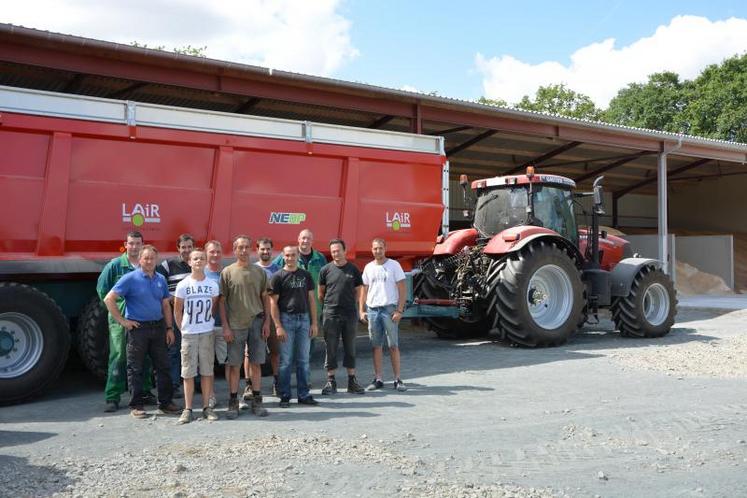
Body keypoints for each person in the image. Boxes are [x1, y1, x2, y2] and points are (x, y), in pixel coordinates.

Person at [103, 245, 181, 418]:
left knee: (163, 367)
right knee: (135, 368)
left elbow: (165, 305)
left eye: (152, 258)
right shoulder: (130, 278)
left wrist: (169, 328)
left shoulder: (160, 278)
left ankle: (166, 403)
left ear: (156, 259)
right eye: (145, 258)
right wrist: (123, 321)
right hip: (138, 329)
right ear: (139, 260)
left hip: (159, 327)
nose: (149, 261)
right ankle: (136, 405)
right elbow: (109, 299)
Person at [96, 230, 155, 412]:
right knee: (119, 356)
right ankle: (112, 396)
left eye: (138, 243)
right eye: (131, 243)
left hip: (142, 320)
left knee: (144, 355)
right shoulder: (115, 266)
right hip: (120, 320)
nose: (135, 247)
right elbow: (103, 291)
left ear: (142, 245)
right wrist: (118, 315)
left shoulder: (147, 266)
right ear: (125, 244)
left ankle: (144, 391)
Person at [219, 235, 271, 419]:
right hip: (235, 325)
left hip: (256, 323)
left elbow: (266, 298)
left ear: (251, 249)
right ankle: (233, 402)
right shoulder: (227, 272)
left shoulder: (259, 272)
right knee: (234, 365)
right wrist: (225, 326)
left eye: (246, 247)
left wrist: (267, 322)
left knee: (256, 364)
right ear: (234, 250)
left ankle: (257, 401)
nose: (243, 250)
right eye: (239, 247)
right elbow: (222, 302)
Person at [173, 249, 220, 424]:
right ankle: (188, 409)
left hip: (207, 333)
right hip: (189, 334)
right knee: (188, 372)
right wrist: (183, 329)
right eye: (195, 258)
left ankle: (207, 407)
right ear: (190, 262)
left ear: (206, 261)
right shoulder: (183, 285)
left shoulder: (212, 285)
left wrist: (206, 323)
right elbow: (178, 310)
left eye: (201, 258)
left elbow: (213, 307)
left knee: (207, 371)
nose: (198, 261)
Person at [269, 246, 319, 408]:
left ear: (298, 256)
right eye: (287, 255)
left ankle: (304, 395)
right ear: (283, 256)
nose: (290, 258)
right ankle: (284, 395)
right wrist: (278, 326)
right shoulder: (277, 277)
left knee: (303, 360)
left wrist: (314, 323)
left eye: (293, 255)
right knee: (285, 361)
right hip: (286, 320)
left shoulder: (306, 275)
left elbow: (312, 299)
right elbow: (273, 303)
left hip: (304, 320)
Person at [359, 238, 408, 392]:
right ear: (371, 250)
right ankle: (378, 378)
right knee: (376, 346)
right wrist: (361, 310)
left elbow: (402, 289)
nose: (378, 251)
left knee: (393, 345)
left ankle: (397, 379)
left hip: (389, 310)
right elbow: (364, 290)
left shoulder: (394, 266)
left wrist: (399, 310)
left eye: (380, 248)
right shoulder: (368, 267)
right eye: (375, 248)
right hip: (373, 310)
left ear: (385, 248)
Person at [318, 239, 365, 395]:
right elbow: (321, 293)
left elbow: (359, 290)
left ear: (345, 251)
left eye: (338, 250)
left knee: (350, 347)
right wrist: (329, 306)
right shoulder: (325, 270)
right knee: (330, 347)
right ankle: (331, 381)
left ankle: (352, 381)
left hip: (349, 314)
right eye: (333, 251)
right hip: (331, 314)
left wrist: (357, 307)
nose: (335, 254)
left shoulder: (353, 269)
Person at [157, 233, 195, 398]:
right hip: (174, 314)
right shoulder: (168, 265)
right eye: (183, 247)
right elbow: (158, 286)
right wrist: (172, 299)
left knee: (195, 349)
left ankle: (197, 381)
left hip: (194, 315)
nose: (186, 250)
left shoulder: (198, 264)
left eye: (189, 247)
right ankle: (174, 384)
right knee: (174, 349)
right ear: (178, 248)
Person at [272, 228, 326, 320]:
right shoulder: (287, 255)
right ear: (298, 239)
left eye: (309, 238)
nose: (306, 241)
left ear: (312, 241)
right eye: (303, 238)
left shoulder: (320, 258)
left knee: (313, 333)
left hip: (315, 308)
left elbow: (326, 280)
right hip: (291, 310)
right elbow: (272, 270)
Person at [251, 237, 281, 399]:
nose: (265, 251)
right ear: (257, 250)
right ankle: (250, 385)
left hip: (274, 316)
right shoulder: (252, 269)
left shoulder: (278, 269)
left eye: (268, 249)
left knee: (275, 352)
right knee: (251, 354)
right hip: (256, 317)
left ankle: (277, 382)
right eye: (262, 249)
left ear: (272, 250)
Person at [204, 240, 227, 409]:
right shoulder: (200, 274)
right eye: (212, 251)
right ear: (206, 253)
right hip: (206, 327)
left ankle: (232, 396)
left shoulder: (226, 274)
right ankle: (210, 396)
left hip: (224, 326)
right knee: (208, 363)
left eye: (218, 252)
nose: (215, 255)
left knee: (229, 362)